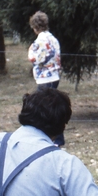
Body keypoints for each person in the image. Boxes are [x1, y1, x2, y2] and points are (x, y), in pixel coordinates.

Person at [27, 11, 64, 147]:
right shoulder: (53, 38)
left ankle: (53, 138)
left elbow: (38, 59)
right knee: (52, 107)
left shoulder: (40, 40)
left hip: (44, 78)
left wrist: (31, 51)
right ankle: (57, 138)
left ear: (35, 26)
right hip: (54, 76)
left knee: (45, 110)